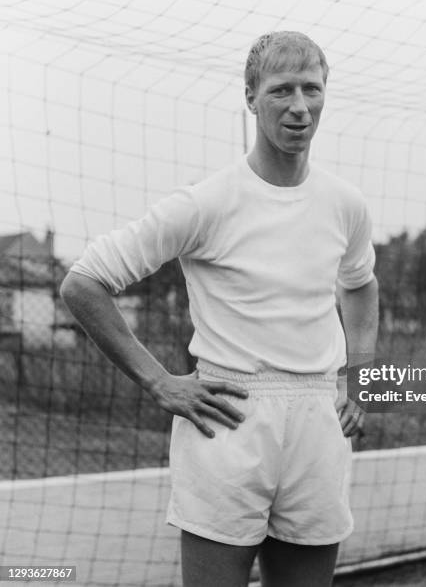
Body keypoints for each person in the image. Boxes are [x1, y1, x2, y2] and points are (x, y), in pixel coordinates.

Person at [60, 31, 378, 587]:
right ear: (251, 97)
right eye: (282, 90)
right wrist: (159, 382)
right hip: (229, 418)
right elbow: (83, 283)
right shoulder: (206, 202)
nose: (299, 107)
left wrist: (360, 375)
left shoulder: (345, 204)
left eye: (312, 89)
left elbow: (360, 285)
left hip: (317, 419)